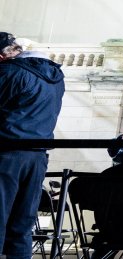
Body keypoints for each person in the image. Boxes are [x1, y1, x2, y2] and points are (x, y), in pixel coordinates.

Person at [0, 32, 65, 259]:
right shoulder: (56, 77)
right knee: (21, 226)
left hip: (6, 154)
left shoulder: (9, 72)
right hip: (37, 156)